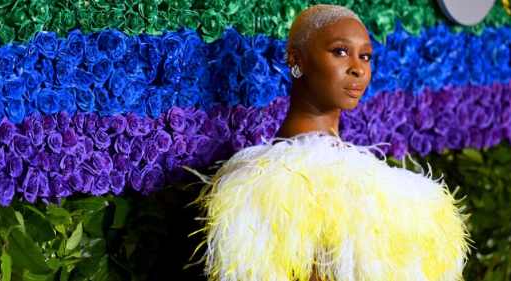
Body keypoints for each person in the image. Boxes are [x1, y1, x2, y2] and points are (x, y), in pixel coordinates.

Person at [192, 4, 470, 281]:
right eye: (340, 51)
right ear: (296, 60)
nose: (358, 68)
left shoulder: (366, 178)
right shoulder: (274, 186)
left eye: (365, 56)